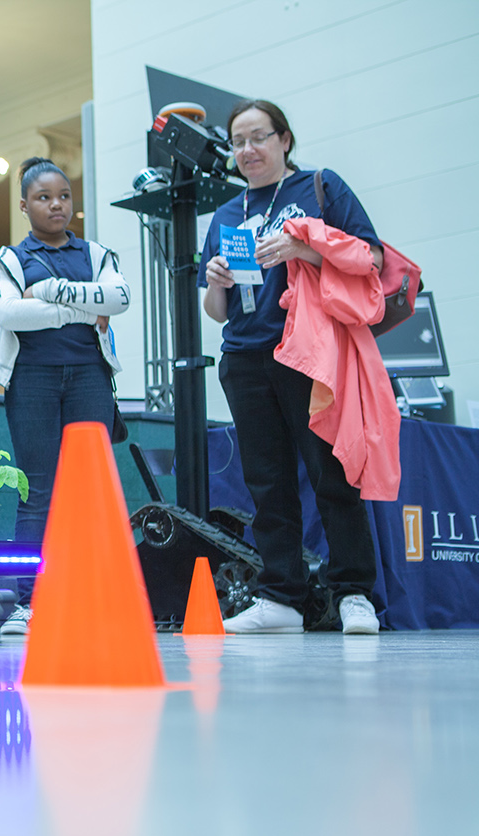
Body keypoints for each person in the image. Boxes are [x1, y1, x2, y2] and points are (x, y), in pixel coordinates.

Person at [200, 100, 383, 636]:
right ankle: (281, 596)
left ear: (284, 140)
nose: (247, 150)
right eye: (237, 141)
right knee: (266, 482)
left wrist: (306, 248)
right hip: (244, 356)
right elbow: (216, 312)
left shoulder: (320, 187)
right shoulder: (226, 214)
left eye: (258, 137)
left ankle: (354, 592)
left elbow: (371, 258)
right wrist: (214, 282)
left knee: (331, 472)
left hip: (307, 353)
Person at [0, 157, 130, 635]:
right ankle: (26, 601)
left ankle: (92, 596)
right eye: (44, 198)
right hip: (31, 381)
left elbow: (120, 299)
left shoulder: (98, 253)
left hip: (90, 377)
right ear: (24, 205)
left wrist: (48, 292)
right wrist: (81, 310)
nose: (56, 205)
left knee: (89, 490)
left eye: (64, 196)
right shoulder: (8, 259)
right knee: (38, 492)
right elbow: (9, 313)